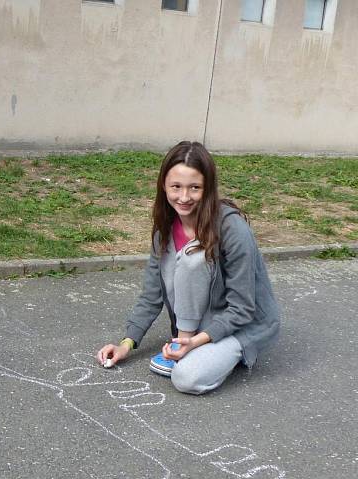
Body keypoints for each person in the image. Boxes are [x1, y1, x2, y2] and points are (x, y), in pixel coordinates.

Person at [96, 141, 279, 395]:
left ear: (208, 188)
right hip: (202, 323)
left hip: (243, 324)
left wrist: (194, 343)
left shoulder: (232, 229)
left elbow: (243, 308)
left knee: (187, 379)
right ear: (164, 186)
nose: (184, 197)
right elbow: (151, 295)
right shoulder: (165, 230)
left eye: (195, 188)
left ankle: (222, 351)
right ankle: (189, 341)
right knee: (185, 256)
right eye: (176, 187)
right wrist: (127, 342)